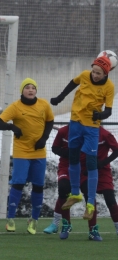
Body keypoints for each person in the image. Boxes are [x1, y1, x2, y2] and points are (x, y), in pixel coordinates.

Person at [50, 56, 114, 220]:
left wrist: (99, 115)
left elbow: (109, 111)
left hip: (92, 127)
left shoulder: (109, 87)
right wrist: (60, 97)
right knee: (73, 157)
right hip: (75, 123)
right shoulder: (85, 75)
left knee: (91, 163)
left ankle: (91, 203)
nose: (95, 75)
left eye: (98, 73)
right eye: (94, 71)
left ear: (106, 73)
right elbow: (73, 83)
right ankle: (76, 193)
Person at [0, 78, 54, 234]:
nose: (30, 90)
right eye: (27, 87)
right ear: (22, 90)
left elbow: (50, 121)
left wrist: (44, 139)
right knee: (19, 183)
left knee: (39, 185)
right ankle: (11, 219)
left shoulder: (43, 105)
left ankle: (34, 220)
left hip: (39, 152)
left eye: (33, 87)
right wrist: (12, 126)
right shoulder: (15, 107)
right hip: (22, 152)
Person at [43, 125, 118, 241]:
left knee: (104, 197)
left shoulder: (101, 134)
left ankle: (93, 229)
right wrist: (70, 153)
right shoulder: (67, 131)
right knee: (63, 188)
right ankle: (63, 224)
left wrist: (101, 163)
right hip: (70, 167)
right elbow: (55, 148)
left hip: (94, 169)